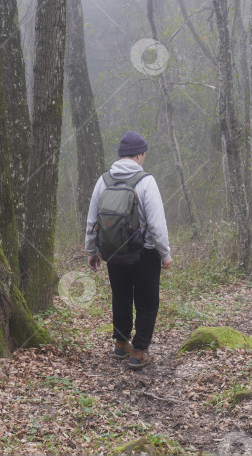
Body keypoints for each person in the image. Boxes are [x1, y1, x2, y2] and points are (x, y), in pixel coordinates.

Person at [85, 131, 172, 370]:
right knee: (147, 301)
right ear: (139, 154)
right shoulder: (146, 181)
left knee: (120, 296)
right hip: (145, 252)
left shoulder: (104, 180)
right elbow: (156, 223)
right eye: (143, 154)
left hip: (114, 252)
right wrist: (165, 253)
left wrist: (91, 250)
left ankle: (121, 344)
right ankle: (139, 351)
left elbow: (93, 219)